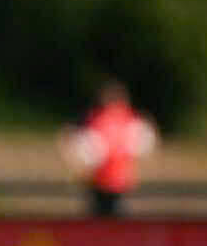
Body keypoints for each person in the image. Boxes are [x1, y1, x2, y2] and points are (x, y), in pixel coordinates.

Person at [60, 80, 157, 217]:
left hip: (103, 183)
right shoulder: (131, 119)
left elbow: (75, 146)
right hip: (119, 183)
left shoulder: (94, 119)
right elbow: (146, 145)